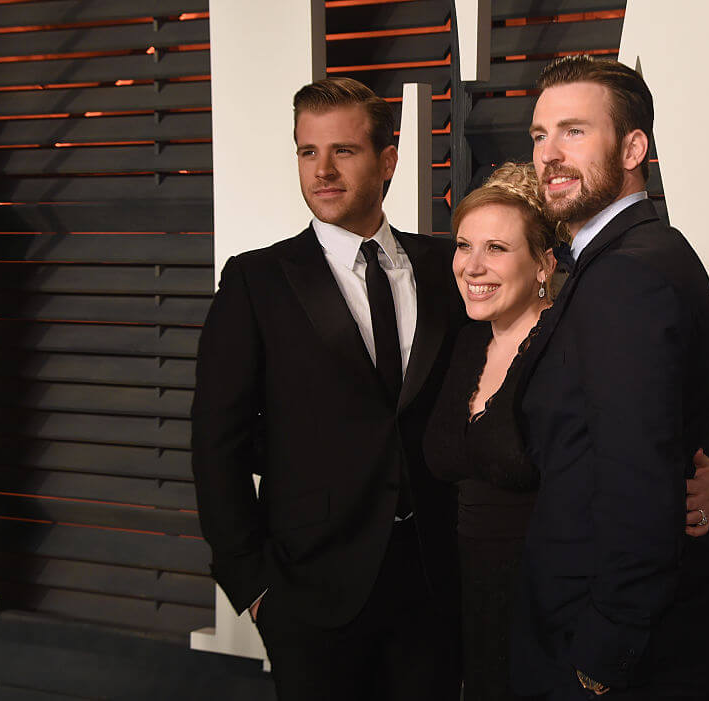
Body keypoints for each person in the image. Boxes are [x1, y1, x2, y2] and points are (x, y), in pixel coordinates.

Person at [190, 77, 465, 701]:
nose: (322, 171)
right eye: (307, 152)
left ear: (386, 160)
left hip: (434, 578)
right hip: (309, 588)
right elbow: (216, 443)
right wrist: (253, 587)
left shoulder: (446, 267)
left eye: (342, 150)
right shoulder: (256, 282)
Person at [424, 163, 709, 701]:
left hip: (551, 605)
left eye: (497, 248)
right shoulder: (463, 340)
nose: (473, 265)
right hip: (464, 601)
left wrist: (707, 486)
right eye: (464, 245)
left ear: (544, 264)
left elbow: (686, 419)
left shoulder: (577, 334)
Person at [511, 56, 709, 700]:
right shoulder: (650, 250)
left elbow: (634, 475)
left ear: (634, 147)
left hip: (607, 645)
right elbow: (707, 413)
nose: (549, 154)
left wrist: (604, 655)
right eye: (538, 135)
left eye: (574, 131)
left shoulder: (625, 275)